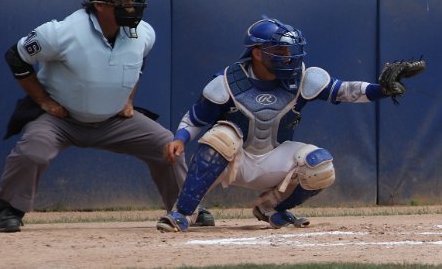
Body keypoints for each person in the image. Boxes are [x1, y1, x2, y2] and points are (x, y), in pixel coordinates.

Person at [156, 17, 421, 232]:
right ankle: (184, 213)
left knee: (321, 166)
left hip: (272, 158)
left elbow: (345, 90)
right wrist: (180, 138)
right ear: (257, 53)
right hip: (232, 161)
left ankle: (271, 208)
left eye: (290, 50)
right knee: (222, 136)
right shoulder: (227, 82)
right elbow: (195, 118)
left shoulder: (302, 78)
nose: (289, 57)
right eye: (280, 51)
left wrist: (381, 89)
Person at [0, 0, 204, 233]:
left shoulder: (143, 32)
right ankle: (9, 208)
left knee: (166, 144)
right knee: (33, 151)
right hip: (61, 119)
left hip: (114, 120)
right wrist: (43, 100)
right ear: (99, 5)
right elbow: (16, 56)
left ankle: (185, 208)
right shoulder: (61, 32)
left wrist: (129, 99)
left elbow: (139, 61)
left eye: (133, 0)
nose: (131, 7)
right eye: (122, 0)